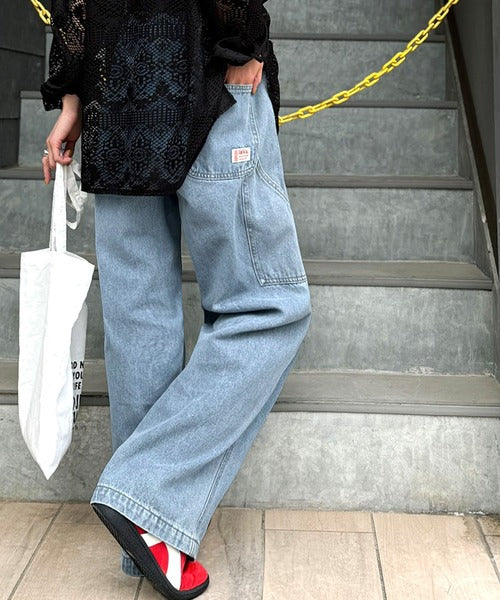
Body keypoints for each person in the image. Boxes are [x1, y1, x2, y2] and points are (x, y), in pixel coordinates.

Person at [41, 1, 312, 598]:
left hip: (115, 96)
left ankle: (150, 544)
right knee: (269, 307)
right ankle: (147, 503)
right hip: (206, 74)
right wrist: (244, 41)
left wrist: (73, 97)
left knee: (140, 321)